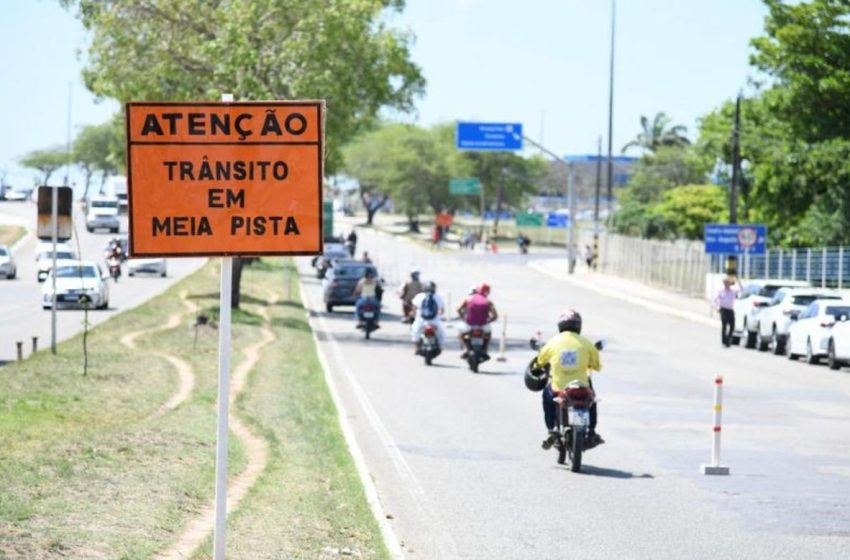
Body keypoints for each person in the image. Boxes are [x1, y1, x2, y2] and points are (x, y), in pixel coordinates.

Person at [531, 310, 604, 450]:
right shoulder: (586, 342)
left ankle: (551, 428)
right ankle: (592, 431)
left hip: (558, 388)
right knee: (592, 401)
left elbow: (540, 361)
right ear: (578, 325)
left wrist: (539, 366)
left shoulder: (553, 341)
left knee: (547, 397)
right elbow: (597, 366)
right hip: (582, 387)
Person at [456, 283, 499, 359]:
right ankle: (485, 350)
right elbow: (495, 316)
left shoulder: (469, 299)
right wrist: (489, 321)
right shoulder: (488, 302)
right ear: (488, 292)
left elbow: (459, 309)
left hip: (469, 324)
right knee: (488, 334)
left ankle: (467, 349)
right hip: (483, 325)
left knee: (461, 334)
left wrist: (463, 317)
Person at [410, 281, 445, 355]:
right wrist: (439, 316)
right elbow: (442, 311)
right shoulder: (438, 297)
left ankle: (417, 348)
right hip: (434, 321)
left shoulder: (419, 296)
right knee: (441, 332)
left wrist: (413, 314)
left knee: (415, 331)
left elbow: (414, 309)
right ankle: (440, 347)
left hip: (421, 321)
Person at [714, 276, 740, 347]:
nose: (727, 284)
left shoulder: (733, 291)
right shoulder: (721, 291)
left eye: (728, 283)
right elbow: (715, 299)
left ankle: (728, 339)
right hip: (723, 309)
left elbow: (741, 289)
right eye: (726, 283)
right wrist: (717, 307)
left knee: (732, 325)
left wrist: (738, 281)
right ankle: (724, 341)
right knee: (724, 325)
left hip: (730, 309)